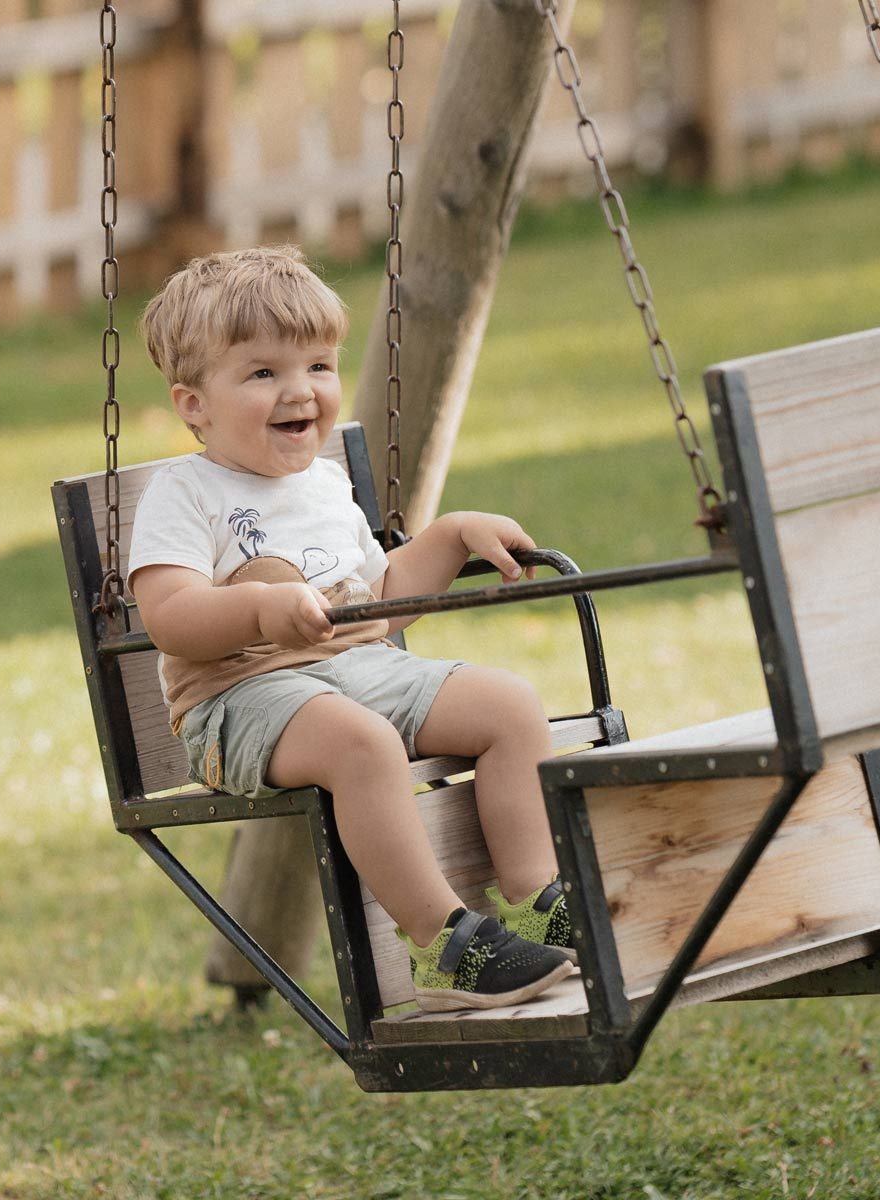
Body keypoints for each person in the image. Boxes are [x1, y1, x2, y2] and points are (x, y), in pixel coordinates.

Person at [126, 246, 580, 1012]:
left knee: (511, 706)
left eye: (319, 365)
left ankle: (539, 897)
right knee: (362, 743)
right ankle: (443, 948)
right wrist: (259, 610)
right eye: (263, 373)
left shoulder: (327, 483)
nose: (299, 390)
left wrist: (452, 535)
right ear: (194, 404)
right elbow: (170, 618)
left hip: (362, 673)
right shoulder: (185, 493)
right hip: (240, 698)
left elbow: (383, 601)